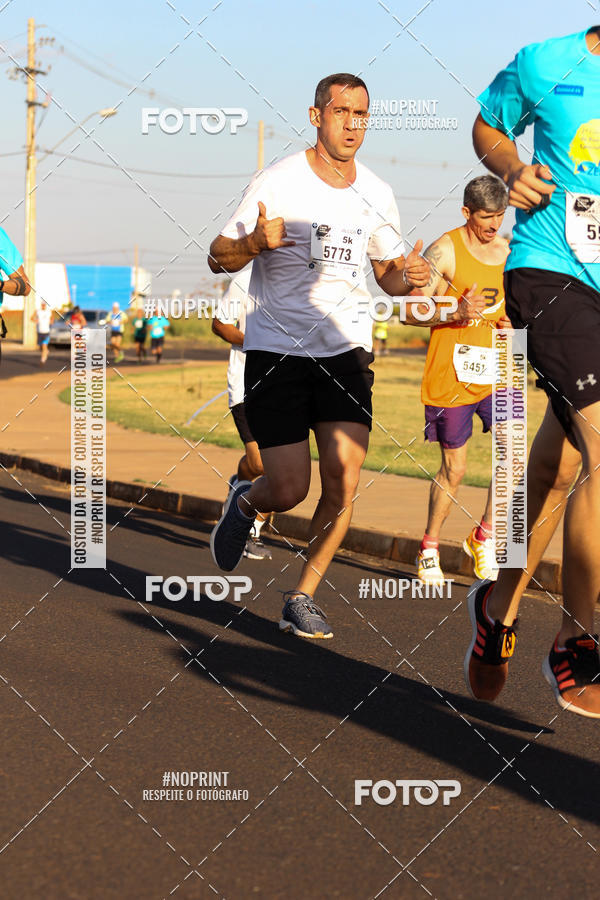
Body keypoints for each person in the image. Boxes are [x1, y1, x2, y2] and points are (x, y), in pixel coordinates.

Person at [207, 73, 429, 640]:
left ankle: (301, 595)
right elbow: (217, 255)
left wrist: (410, 276)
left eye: (362, 114)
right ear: (316, 116)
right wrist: (253, 244)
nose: (353, 124)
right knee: (289, 489)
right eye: (342, 111)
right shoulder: (278, 180)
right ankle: (246, 504)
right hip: (277, 352)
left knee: (344, 480)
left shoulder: (376, 191)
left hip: (345, 353)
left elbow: (387, 275)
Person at [463, 26, 600, 717]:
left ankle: (497, 609)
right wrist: (511, 168)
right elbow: (489, 123)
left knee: (560, 466)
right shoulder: (549, 61)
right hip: (550, 272)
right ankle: (577, 641)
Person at [404, 176, 512, 586]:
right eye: (486, 217)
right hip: (452, 374)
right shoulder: (445, 250)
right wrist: (455, 311)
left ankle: (484, 535)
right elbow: (410, 312)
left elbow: (514, 308)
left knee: (513, 455)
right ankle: (429, 546)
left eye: (500, 215)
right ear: (467, 212)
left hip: (500, 367)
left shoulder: (507, 251)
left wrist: (514, 325)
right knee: (456, 468)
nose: (494, 225)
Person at [212, 266, 273, 560]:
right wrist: (256, 343)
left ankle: (253, 528)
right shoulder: (246, 280)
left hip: (286, 385)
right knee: (260, 462)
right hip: (246, 384)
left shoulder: (302, 281)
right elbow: (220, 324)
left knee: (278, 468)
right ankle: (240, 496)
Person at [31, 300, 54, 364]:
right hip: (39, 331)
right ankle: (46, 351)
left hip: (46, 331)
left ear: (46, 305)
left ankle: (43, 359)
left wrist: (51, 322)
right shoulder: (37, 311)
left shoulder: (49, 311)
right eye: (42, 305)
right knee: (41, 346)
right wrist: (35, 320)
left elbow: (52, 318)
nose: (43, 306)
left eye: (44, 305)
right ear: (41, 305)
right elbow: (31, 318)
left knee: (44, 345)